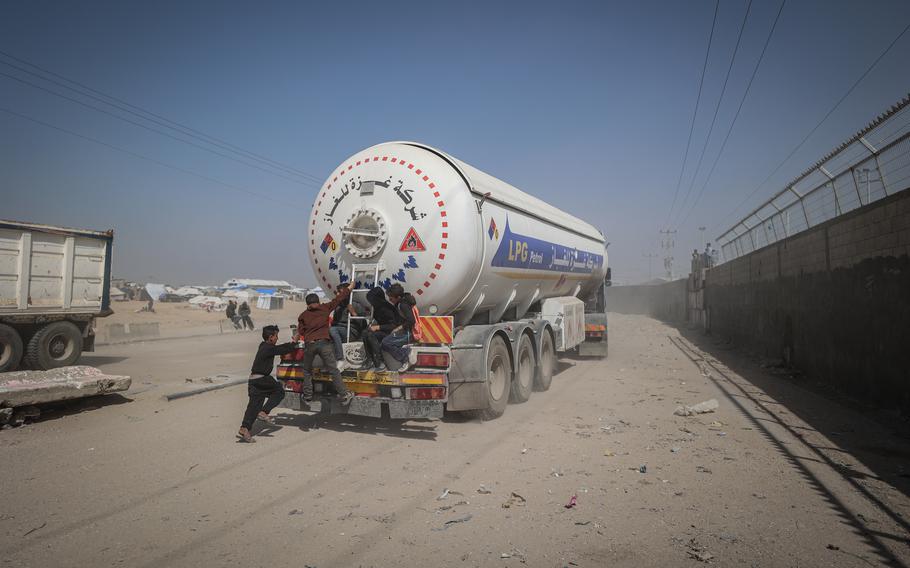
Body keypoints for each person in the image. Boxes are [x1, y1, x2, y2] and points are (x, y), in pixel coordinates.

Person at [238, 325, 297, 443]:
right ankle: (264, 412)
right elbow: (281, 349)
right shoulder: (268, 348)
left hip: (253, 380)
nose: (277, 338)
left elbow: (279, 347)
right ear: (270, 337)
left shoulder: (263, 346)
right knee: (279, 392)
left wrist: (290, 344)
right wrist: (294, 343)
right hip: (262, 379)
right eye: (276, 336)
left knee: (254, 405)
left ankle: (245, 428)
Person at [298, 284, 355, 405]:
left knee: (307, 371)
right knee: (333, 370)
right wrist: (349, 288)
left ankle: (307, 396)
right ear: (318, 302)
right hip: (324, 344)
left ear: (307, 304)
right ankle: (344, 394)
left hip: (310, 345)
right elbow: (338, 299)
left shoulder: (303, 315)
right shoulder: (324, 308)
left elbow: (301, 331)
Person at [361, 285, 402, 371]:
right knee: (365, 333)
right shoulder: (378, 308)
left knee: (371, 335)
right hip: (383, 331)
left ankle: (380, 362)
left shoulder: (387, 308)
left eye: (372, 301)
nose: (371, 303)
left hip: (392, 332)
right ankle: (370, 359)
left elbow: (393, 325)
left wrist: (378, 327)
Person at [381, 284, 420, 371]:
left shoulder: (403, 305)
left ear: (398, 297)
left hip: (409, 333)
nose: (390, 300)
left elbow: (411, 321)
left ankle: (406, 355)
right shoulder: (401, 303)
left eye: (391, 298)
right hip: (407, 331)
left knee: (386, 342)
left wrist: (398, 329)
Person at [328, 284, 367, 370]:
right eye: (337, 292)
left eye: (340, 292)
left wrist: (353, 313)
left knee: (332, 330)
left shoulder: (356, 305)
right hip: (338, 331)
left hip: (351, 331)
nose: (338, 294)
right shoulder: (338, 307)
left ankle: (340, 359)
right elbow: (334, 322)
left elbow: (364, 324)